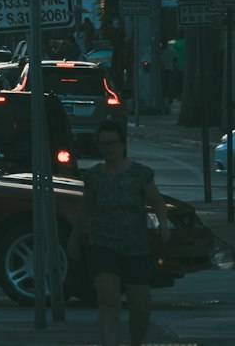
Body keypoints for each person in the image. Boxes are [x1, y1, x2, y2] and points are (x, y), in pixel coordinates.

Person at [67, 116, 170, 346]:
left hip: (135, 246)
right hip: (102, 244)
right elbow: (85, 210)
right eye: (103, 144)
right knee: (107, 298)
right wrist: (74, 239)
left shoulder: (140, 174)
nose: (109, 148)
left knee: (140, 303)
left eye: (112, 143)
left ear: (122, 144)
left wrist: (163, 225)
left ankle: (136, 342)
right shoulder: (94, 176)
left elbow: (158, 202)